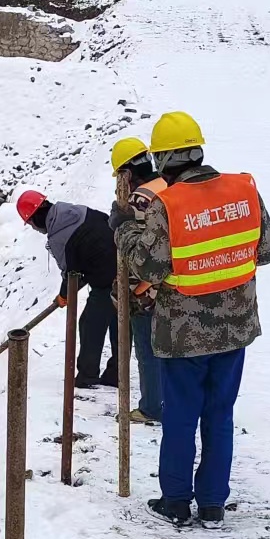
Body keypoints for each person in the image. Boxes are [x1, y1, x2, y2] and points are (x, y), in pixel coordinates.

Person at [113, 112, 270, 526]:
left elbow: (150, 267)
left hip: (183, 333)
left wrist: (124, 231)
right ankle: (211, 505)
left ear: (166, 159)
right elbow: (268, 250)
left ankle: (175, 502)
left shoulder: (167, 205)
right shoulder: (244, 191)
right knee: (220, 415)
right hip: (235, 327)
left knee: (182, 417)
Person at [16, 189, 118, 389]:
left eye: (30, 224)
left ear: (34, 219)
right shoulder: (72, 211)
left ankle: (87, 376)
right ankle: (115, 374)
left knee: (90, 324)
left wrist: (64, 295)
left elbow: (72, 273)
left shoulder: (58, 237)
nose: (33, 229)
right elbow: (87, 250)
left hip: (107, 279)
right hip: (125, 266)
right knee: (119, 324)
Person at [110, 137, 165, 424]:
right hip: (176, 285)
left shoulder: (138, 200)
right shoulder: (170, 186)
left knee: (147, 350)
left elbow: (137, 253)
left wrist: (130, 291)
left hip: (147, 291)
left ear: (126, 173)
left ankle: (151, 406)